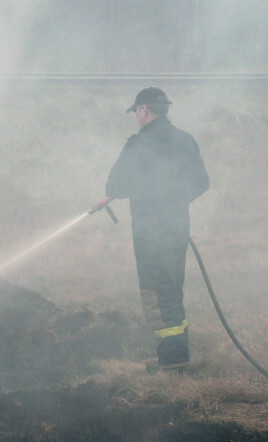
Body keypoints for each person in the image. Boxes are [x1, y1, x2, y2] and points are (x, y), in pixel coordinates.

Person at [106, 87, 209, 372]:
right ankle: (177, 355)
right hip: (177, 228)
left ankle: (173, 362)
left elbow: (114, 186)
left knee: (156, 292)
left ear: (143, 110)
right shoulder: (185, 140)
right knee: (172, 288)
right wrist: (174, 203)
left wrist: (149, 197)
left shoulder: (139, 144)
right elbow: (201, 182)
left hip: (150, 234)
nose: (137, 117)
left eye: (137, 112)